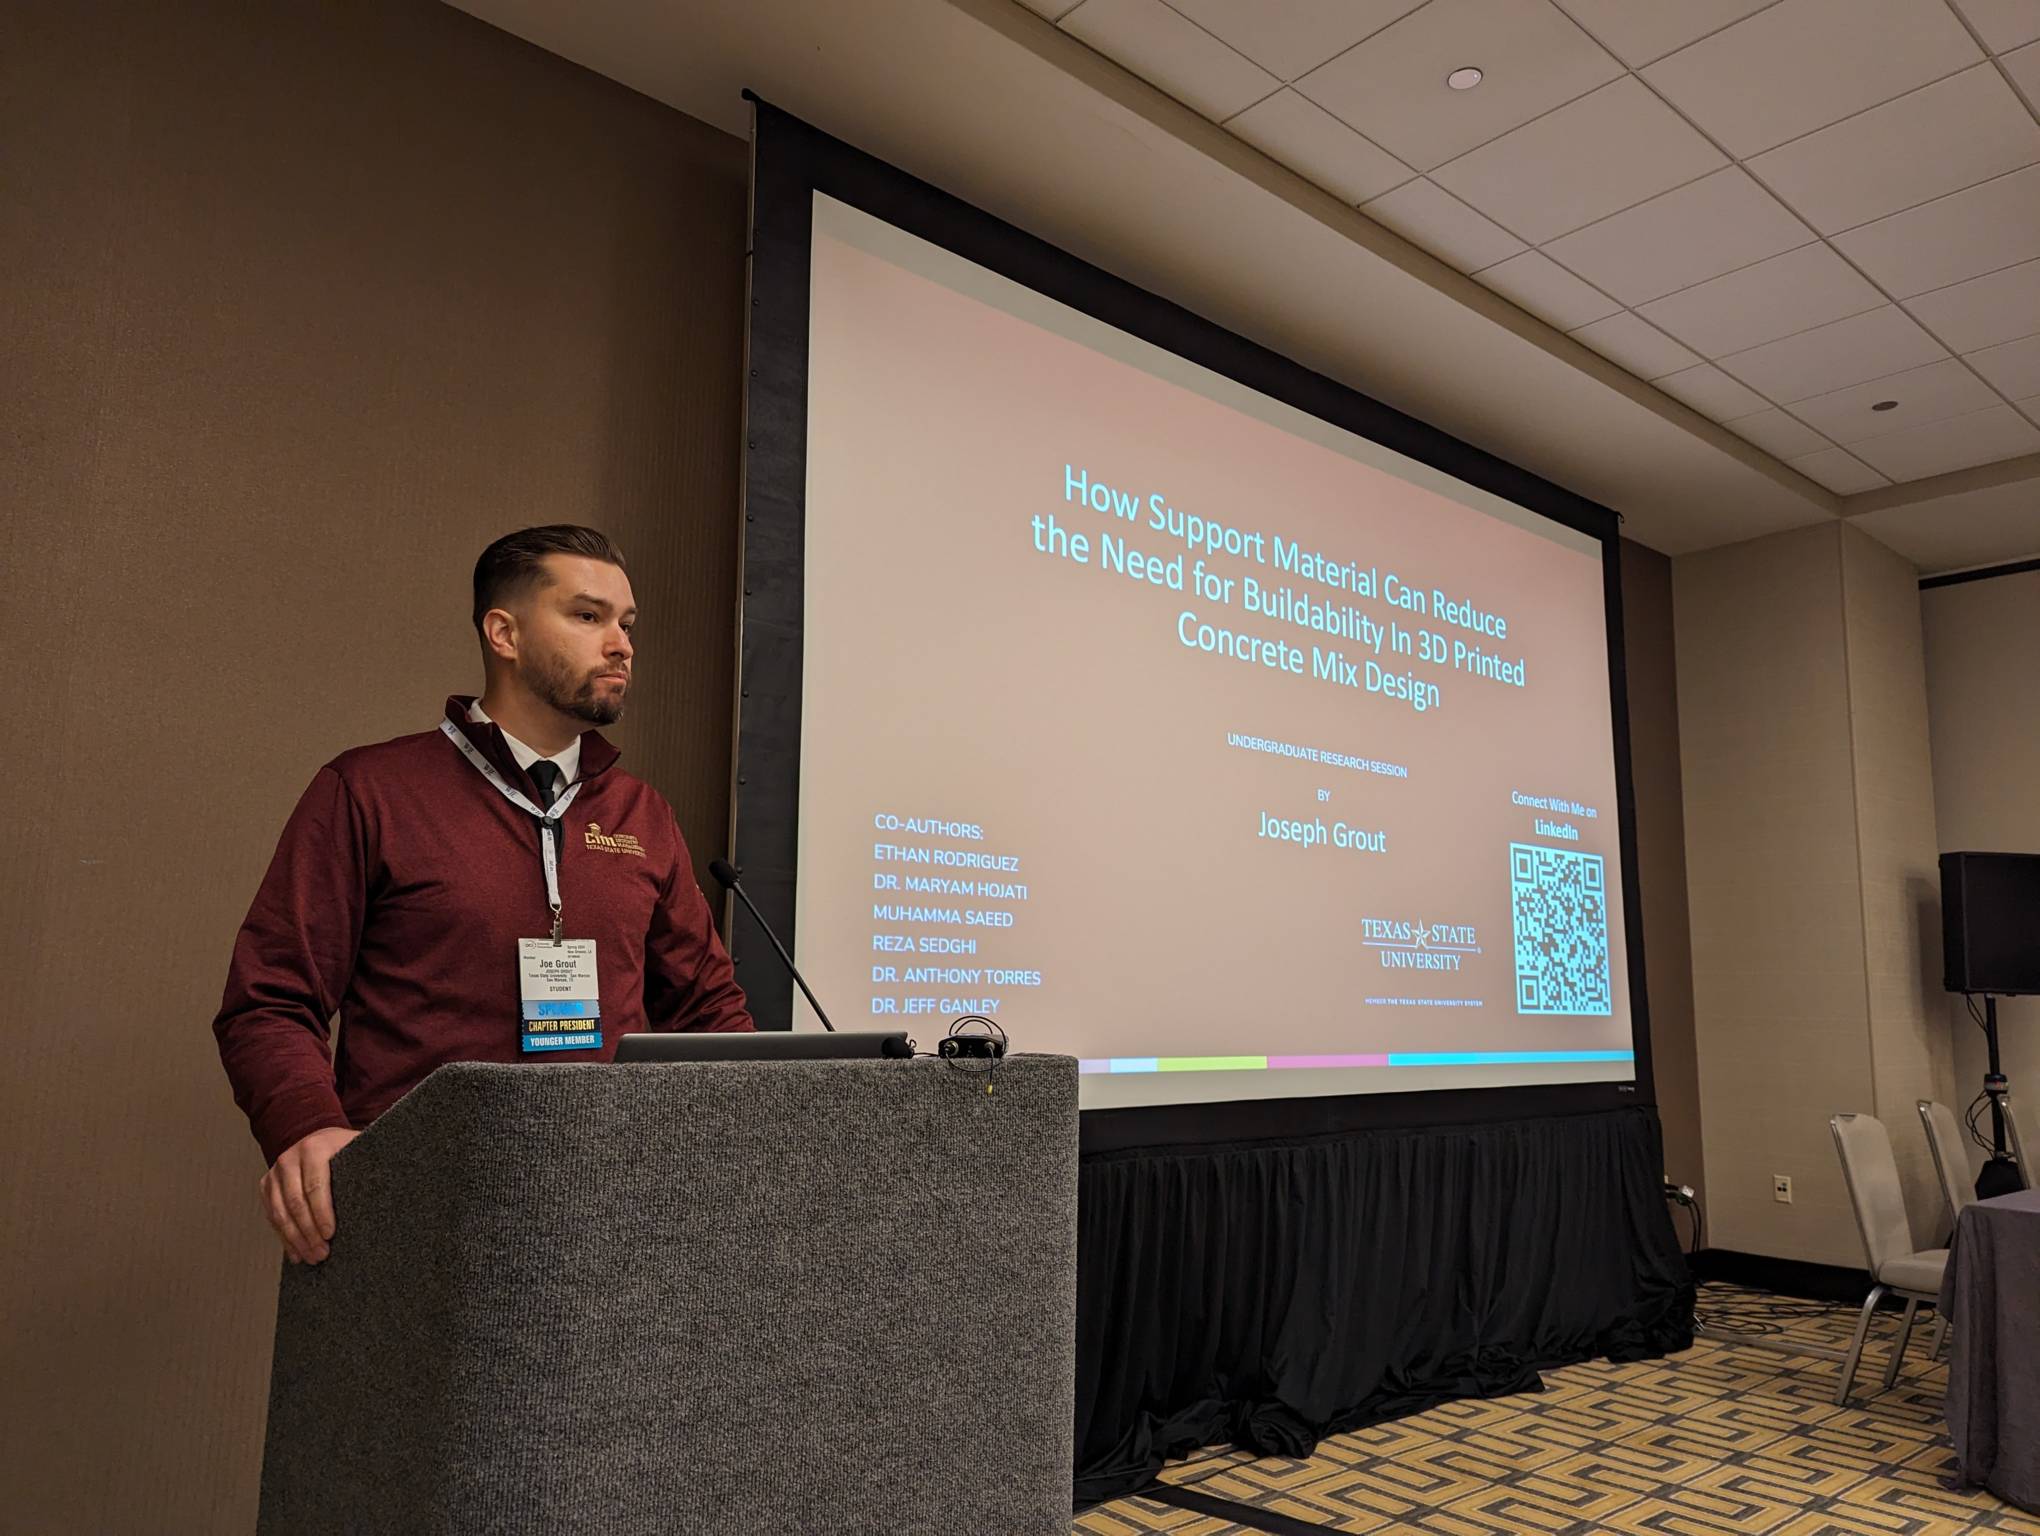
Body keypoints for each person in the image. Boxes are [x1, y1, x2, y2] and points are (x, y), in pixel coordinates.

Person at [215, 525, 753, 1265]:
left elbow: (708, 1011)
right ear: (503, 632)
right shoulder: (372, 790)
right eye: (589, 616)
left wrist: (757, 1140)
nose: (622, 644)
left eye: (627, 624)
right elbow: (271, 998)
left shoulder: (642, 815)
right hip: (420, 1213)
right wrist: (308, 1129)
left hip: (617, 1216)